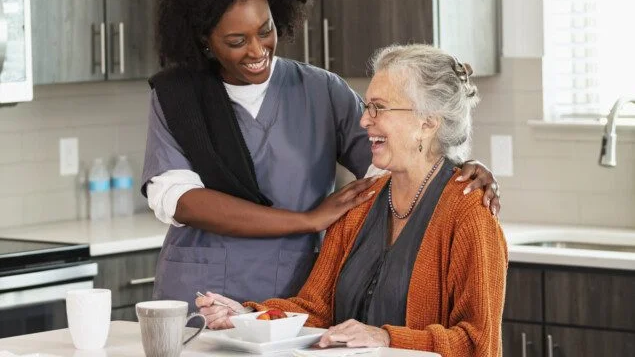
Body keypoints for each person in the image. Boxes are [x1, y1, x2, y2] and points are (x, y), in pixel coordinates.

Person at [142, 0, 501, 310]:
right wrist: (308, 220)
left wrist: (460, 167)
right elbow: (182, 201)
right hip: (198, 296)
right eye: (236, 41)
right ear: (205, 41)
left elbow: (398, 156)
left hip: (295, 297)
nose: (257, 50)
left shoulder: (321, 90)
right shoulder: (178, 97)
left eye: (265, 31)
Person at [197, 43, 508, 356]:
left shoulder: (471, 213)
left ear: (428, 122)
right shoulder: (362, 199)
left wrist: (386, 338)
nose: (363, 121)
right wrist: (250, 317)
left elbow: (477, 343)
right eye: (366, 106)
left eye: (379, 107)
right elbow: (314, 308)